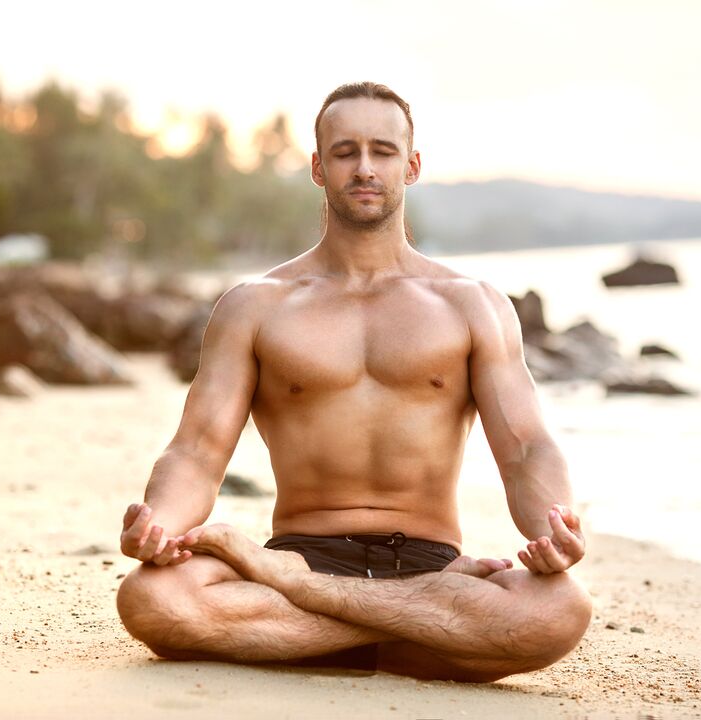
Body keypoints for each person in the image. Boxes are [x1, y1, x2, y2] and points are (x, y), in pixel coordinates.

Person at [115, 81, 591, 682]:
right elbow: (198, 449)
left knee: (562, 608)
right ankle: (410, 636)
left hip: (424, 560)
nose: (364, 168)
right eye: (344, 152)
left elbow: (526, 447)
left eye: (383, 151)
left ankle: (312, 631)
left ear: (411, 165)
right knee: (150, 597)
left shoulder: (473, 304)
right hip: (309, 553)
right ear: (318, 167)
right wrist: (159, 522)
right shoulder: (254, 305)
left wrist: (557, 523)